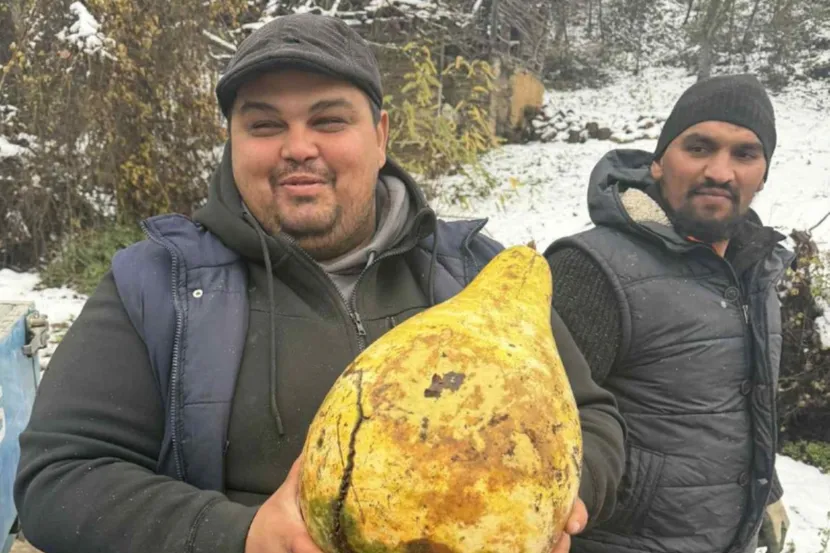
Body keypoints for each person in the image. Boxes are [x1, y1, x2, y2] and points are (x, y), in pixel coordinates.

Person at [14, 13, 625, 553]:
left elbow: (594, 419)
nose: (298, 148)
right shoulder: (156, 285)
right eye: (264, 125)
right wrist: (238, 535)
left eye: (329, 120)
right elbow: (57, 480)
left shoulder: (476, 276)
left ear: (381, 136)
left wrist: (557, 500)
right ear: (232, 142)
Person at [545, 74, 795, 553]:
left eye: (745, 154)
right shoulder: (592, 271)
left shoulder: (754, 272)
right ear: (658, 163)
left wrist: (767, 489)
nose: (721, 172)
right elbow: (529, 428)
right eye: (699, 147)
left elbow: (732, 406)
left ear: (763, 173)